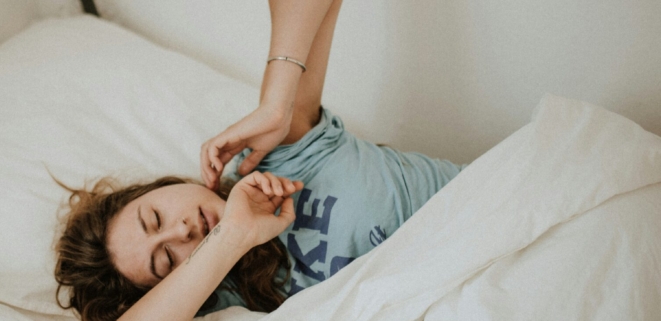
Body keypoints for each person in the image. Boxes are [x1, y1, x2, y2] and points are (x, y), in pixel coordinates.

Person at [53, 1, 465, 320]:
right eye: (166, 261)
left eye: (156, 218)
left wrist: (275, 104)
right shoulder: (231, 300)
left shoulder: (276, 158)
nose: (181, 231)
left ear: (162, 187)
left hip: (488, 209)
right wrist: (231, 237)